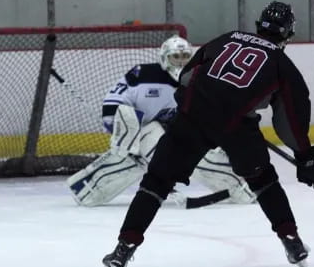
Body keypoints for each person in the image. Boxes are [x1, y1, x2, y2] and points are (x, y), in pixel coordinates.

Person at [101, 1, 314, 267]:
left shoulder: (228, 38)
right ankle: (292, 240)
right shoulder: (282, 65)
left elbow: (187, 76)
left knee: (157, 181)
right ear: (289, 32)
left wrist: (187, 101)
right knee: (262, 179)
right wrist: (305, 155)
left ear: (258, 25)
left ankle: (124, 248)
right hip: (237, 128)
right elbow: (289, 119)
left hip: (192, 119)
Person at [66, 35, 256, 207]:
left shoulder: (201, 80)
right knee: (151, 132)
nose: (181, 63)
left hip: (177, 135)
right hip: (141, 136)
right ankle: (93, 186)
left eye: (185, 57)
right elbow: (115, 105)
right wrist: (121, 133)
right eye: (176, 57)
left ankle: (241, 185)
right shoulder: (143, 75)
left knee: (199, 155)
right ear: (165, 58)